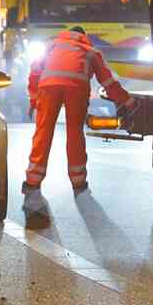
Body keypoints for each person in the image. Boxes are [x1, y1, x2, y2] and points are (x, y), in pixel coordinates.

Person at [24, 26, 134, 193]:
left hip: (48, 88)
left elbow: (34, 73)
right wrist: (129, 101)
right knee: (75, 133)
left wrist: (33, 100)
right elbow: (108, 83)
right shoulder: (91, 52)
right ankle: (78, 181)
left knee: (43, 131)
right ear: (83, 37)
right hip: (77, 90)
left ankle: (33, 180)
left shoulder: (51, 46)